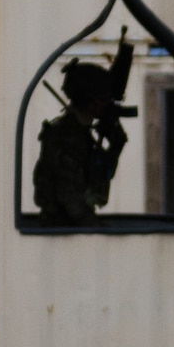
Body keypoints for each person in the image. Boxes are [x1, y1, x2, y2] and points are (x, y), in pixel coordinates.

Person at [32, 28, 135, 226]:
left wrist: (115, 146)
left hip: (70, 225)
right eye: (104, 99)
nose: (107, 104)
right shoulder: (65, 137)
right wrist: (97, 229)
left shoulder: (81, 133)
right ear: (91, 102)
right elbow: (71, 199)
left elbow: (100, 175)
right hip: (61, 227)